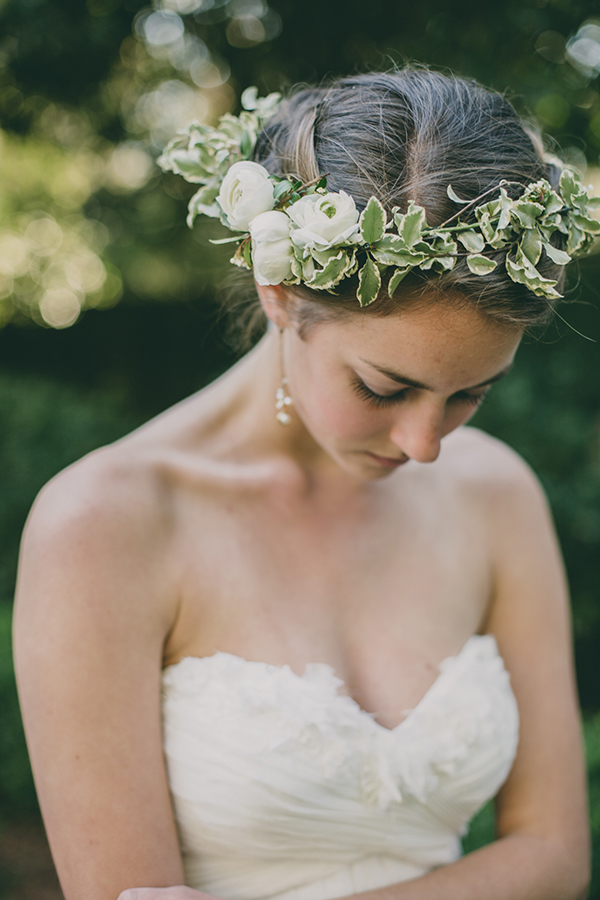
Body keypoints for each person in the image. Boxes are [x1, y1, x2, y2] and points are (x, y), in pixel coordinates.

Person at [12, 69, 594, 900]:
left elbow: (554, 852)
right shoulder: (104, 525)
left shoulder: (499, 495)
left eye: (471, 393)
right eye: (384, 389)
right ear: (278, 292)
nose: (425, 445)